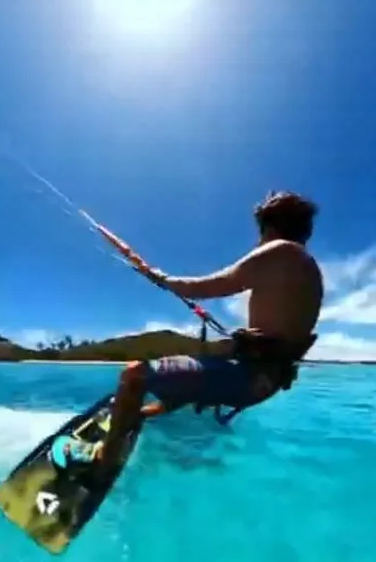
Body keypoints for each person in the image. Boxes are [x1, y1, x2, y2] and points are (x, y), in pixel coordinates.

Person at [100, 191, 324, 462]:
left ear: (269, 227)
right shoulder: (309, 269)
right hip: (267, 383)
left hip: (247, 378)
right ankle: (137, 416)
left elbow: (205, 287)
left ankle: (105, 458)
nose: (258, 241)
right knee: (185, 387)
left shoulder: (280, 251)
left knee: (134, 374)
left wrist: (160, 277)